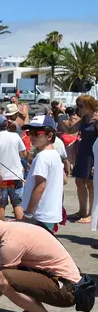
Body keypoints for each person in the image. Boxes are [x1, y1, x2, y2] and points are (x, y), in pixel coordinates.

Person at [20, 115, 64, 231]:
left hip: (39, 214)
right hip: (50, 213)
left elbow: (40, 186)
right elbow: (63, 180)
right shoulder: (55, 154)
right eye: (30, 133)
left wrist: (28, 214)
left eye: (36, 133)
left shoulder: (42, 157)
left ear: (49, 136)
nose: (31, 137)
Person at [60, 95, 98, 223]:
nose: (78, 109)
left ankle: (92, 214)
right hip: (83, 153)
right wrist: (62, 117)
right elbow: (70, 130)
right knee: (79, 182)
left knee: (90, 184)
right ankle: (82, 211)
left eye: (80, 106)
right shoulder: (84, 119)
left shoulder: (96, 120)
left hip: (92, 155)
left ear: (88, 106)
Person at [0, 114, 28, 221]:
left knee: (1, 205)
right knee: (17, 204)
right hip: (16, 177)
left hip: (2, 178)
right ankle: (21, 228)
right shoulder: (15, 136)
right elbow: (24, 154)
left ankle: (2, 229)